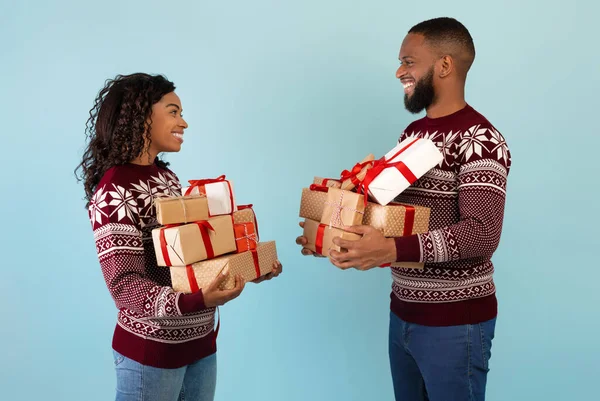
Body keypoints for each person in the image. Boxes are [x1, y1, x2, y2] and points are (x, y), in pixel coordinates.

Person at [296, 17, 511, 401]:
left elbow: (482, 233)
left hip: (455, 324)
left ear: (444, 65)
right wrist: (329, 232)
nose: (399, 71)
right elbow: (387, 215)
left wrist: (392, 250)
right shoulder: (412, 136)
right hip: (404, 314)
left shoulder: (481, 138)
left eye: (409, 61)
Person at [76, 73, 282, 401]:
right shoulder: (116, 189)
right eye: (173, 111)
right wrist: (196, 301)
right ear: (141, 114)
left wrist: (245, 267)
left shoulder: (166, 177)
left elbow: (192, 256)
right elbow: (124, 286)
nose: (183, 122)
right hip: (153, 355)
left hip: (200, 346)